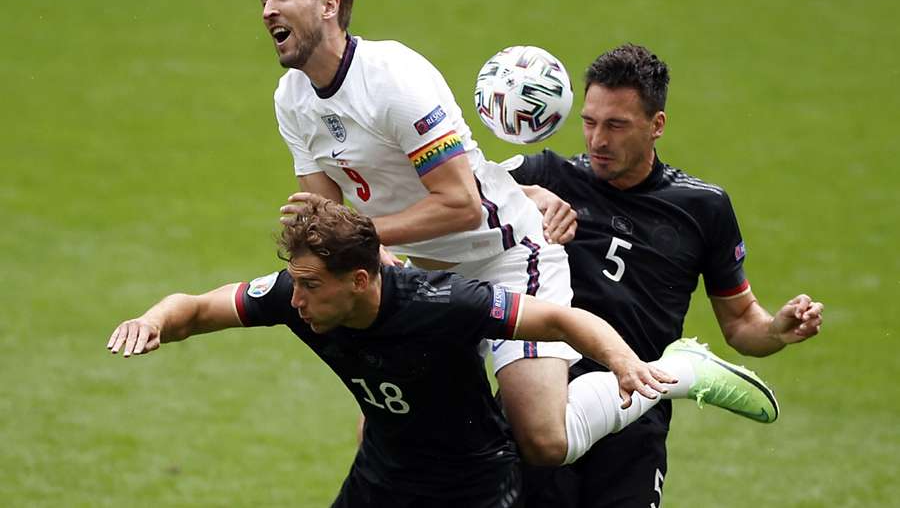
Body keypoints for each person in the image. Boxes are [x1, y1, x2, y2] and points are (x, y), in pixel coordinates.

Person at [107, 197, 783, 507]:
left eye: (314, 286)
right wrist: (151, 320)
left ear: (362, 280)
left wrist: (629, 364)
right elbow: (195, 308)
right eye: (298, 284)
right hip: (381, 479)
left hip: (471, 487)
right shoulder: (296, 294)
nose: (299, 300)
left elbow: (557, 317)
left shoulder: (444, 302)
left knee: (547, 437)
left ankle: (678, 369)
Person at [260, 0, 641, 467]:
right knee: (386, 440)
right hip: (427, 276)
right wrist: (343, 247)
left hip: (506, 256)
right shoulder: (291, 99)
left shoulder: (393, 78)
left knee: (544, 440)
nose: (268, 9)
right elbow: (332, 222)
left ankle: (668, 376)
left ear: (329, 6)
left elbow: (461, 204)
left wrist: (362, 237)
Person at [508, 43, 825, 508]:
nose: (598, 140)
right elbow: (461, 187)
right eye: (590, 121)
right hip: (542, 398)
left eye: (616, 125)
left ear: (657, 125)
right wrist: (531, 194)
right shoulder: (549, 174)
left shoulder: (703, 208)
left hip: (637, 416)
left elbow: (740, 324)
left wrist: (776, 330)